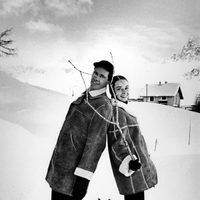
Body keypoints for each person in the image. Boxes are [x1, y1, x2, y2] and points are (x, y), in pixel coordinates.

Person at [46, 60, 114, 200]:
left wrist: (83, 179)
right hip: (60, 168)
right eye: (95, 73)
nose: (96, 77)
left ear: (108, 82)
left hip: (72, 176)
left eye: (102, 76)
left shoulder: (103, 105)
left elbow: (95, 144)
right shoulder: (85, 97)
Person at [108, 75, 158, 200]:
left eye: (126, 87)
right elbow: (117, 143)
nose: (124, 92)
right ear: (112, 91)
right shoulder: (117, 113)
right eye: (119, 88)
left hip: (137, 168)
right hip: (131, 170)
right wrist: (129, 163)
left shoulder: (124, 110)